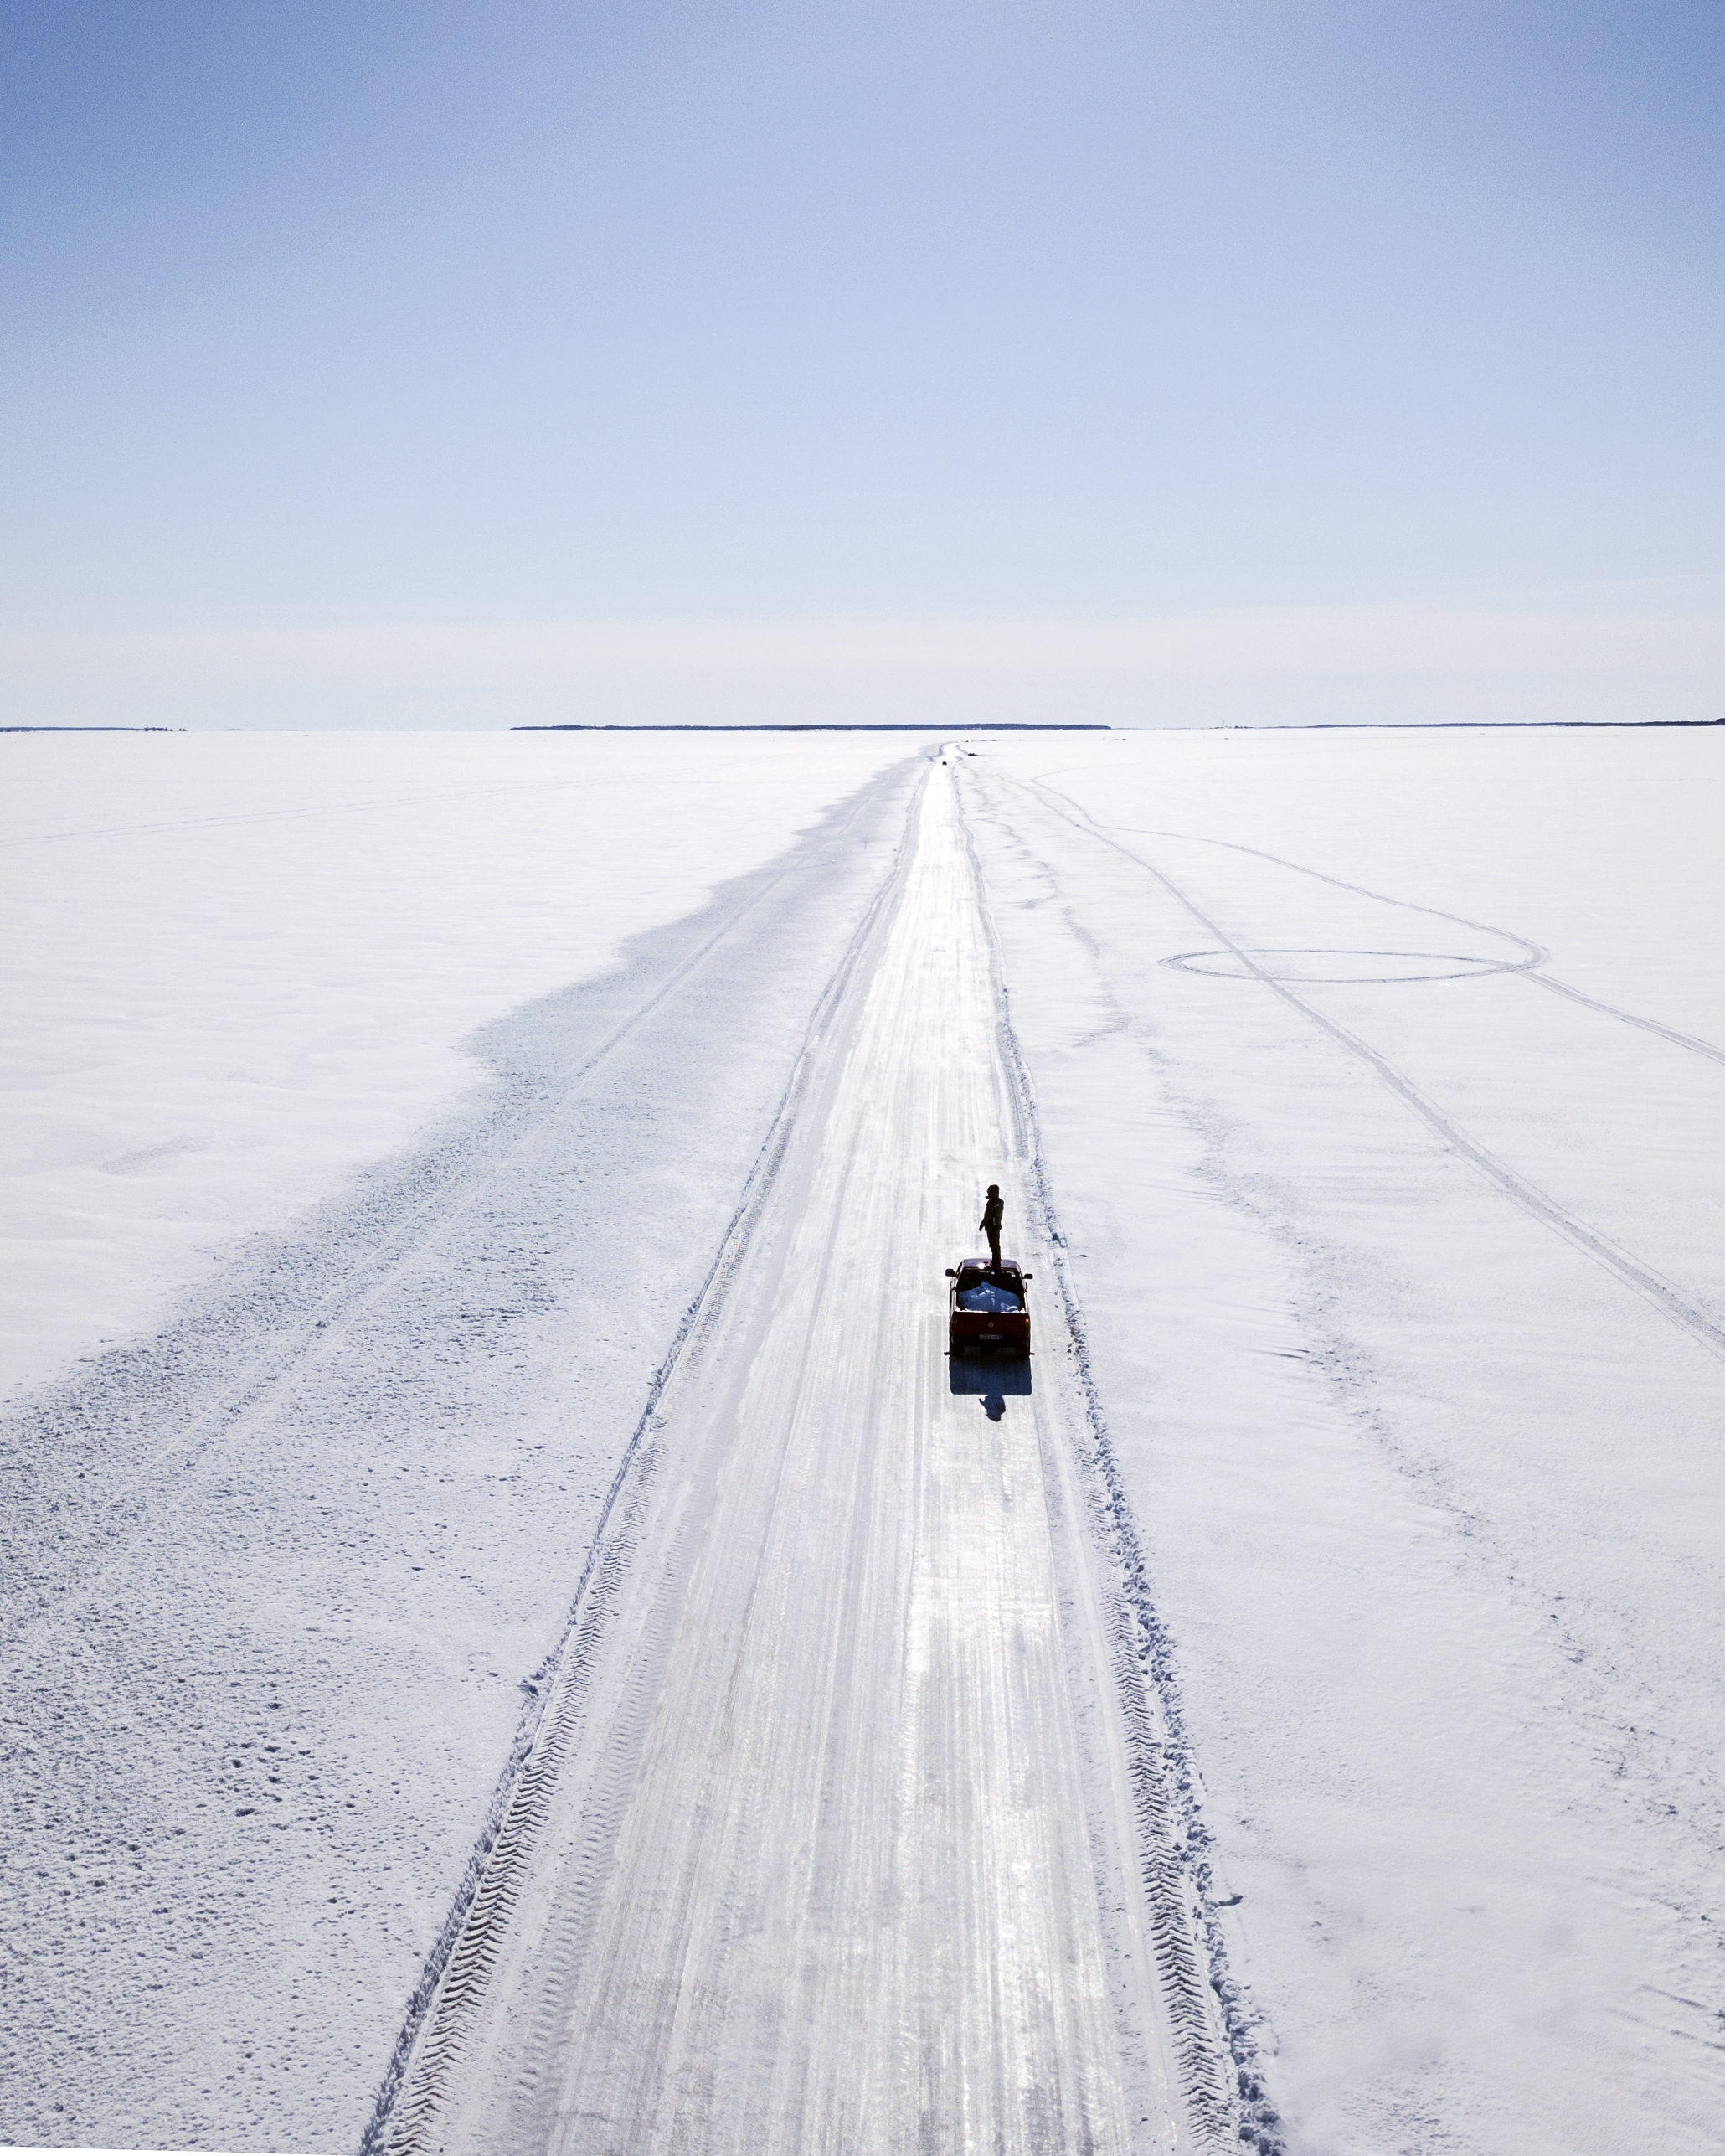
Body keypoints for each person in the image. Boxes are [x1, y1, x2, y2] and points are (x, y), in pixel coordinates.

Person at [979, 1183, 1004, 1270]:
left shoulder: (991, 1204)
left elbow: (987, 1216)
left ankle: (995, 1263)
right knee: (996, 1244)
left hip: (991, 1227)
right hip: (997, 1226)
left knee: (993, 1245)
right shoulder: (1000, 1202)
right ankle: (997, 1261)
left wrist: (982, 1225)